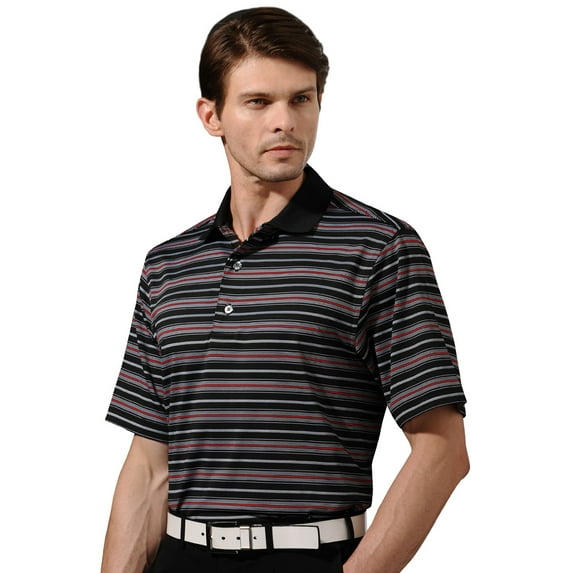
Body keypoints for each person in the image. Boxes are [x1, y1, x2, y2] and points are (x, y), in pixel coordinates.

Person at [101, 7, 469, 573]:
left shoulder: (379, 248)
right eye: (258, 102)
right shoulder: (169, 266)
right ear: (211, 115)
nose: (285, 121)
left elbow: (442, 450)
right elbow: (150, 463)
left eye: (301, 99)